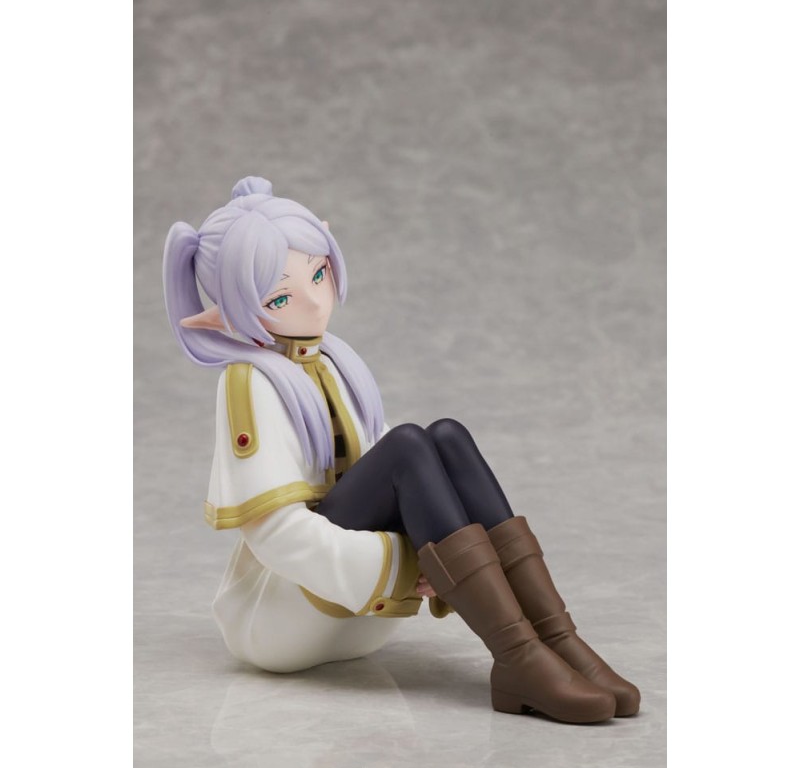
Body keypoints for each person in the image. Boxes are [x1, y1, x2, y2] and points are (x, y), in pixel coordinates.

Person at [163, 176, 640, 724]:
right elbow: (275, 534)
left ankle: (556, 639)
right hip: (284, 619)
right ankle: (516, 655)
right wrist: (403, 565)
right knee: (410, 444)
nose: (315, 301)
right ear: (228, 314)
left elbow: (393, 478)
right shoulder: (249, 382)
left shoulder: (337, 363)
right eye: (280, 298)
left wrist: (421, 551)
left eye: (319, 274)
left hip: (360, 621)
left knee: (447, 438)